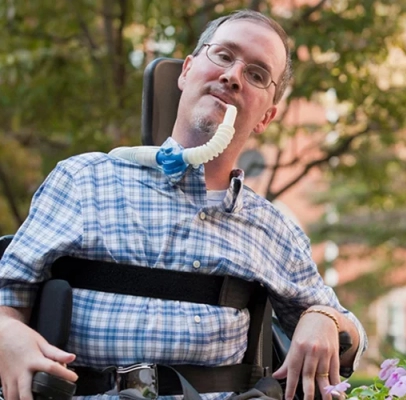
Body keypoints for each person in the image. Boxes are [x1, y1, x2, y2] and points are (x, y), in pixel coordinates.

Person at [0, 9, 367, 400]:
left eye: (257, 74)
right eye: (223, 55)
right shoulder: (83, 181)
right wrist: (6, 333)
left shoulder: (272, 229)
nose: (233, 76)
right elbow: (8, 296)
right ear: (187, 70)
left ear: (266, 117)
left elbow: (351, 341)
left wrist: (324, 318)